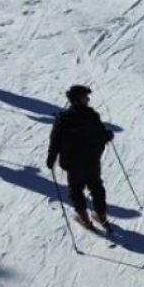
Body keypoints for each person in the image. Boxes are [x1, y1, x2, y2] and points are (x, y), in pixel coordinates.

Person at [47, 85, 116, 230]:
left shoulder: (63, 118)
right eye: (85, 97)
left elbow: (55, 140)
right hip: (91, 160)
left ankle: (85, 219)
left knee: (76, 190)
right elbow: (102, 134)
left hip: (73, 163)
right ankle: (101, 217)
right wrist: (109, 135)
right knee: (96, 187)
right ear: (77, 100)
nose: (88, 99)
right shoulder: (92, 115)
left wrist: (51, 158)